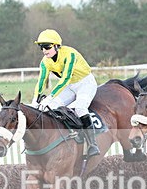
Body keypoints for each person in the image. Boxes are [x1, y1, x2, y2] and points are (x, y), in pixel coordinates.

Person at [32, 29, 100, 158]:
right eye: (41, 47)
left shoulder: (70, 54)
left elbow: (65, 79)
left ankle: (92, 144)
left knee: (80, 108)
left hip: (85, 83)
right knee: (50, 107)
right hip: (69, 86)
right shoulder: (45, 62)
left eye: (47, 47)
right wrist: (35, 100)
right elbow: (41, 81)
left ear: (56, 46)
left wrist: (50, 96)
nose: (44, 50)